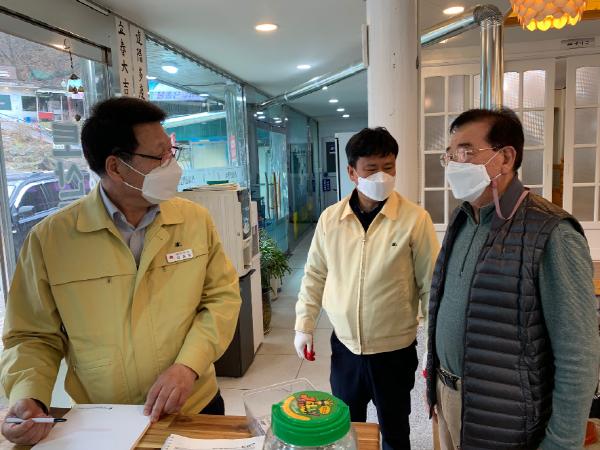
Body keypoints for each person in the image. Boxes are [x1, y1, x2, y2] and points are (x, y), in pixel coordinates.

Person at [0, 97, 242, 445]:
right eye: (160, 156)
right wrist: (29, 396)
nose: (172, 164)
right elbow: (32, 335)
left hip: (193, 405)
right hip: (105, 418)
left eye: (172, 151)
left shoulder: (193, 220)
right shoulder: (51, 240)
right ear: (115, 167)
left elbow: (221, 299)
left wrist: (188, 365)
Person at [425, 108, 600, 450]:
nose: (454, 164)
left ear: (505, 157)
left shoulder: (552, 232)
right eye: (450, 155)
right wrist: (435, 384)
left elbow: (578, 354)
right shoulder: (463, 218)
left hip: (505, 418)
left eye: (465, 152)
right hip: (450, 398)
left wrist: (562, 442)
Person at [294, 127, 439, 450]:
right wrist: (304, 325)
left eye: (389, 167)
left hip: (394, 351)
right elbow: (314, 274)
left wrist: (433, 344)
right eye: (371, 169)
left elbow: (431, 286)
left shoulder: (415, 219)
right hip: (346, 348)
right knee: (347, 430)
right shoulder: (331, 219)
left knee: (395, 430)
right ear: (352, 172)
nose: (382, 176)